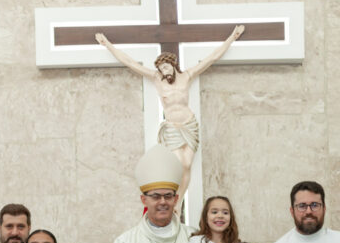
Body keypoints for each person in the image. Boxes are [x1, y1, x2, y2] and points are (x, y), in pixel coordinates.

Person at [96, 26, 245, 200]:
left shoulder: (187, 76)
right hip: (172, 128)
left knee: (187, 164)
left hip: (189, 125)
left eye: (166, 67)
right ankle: (174, 199)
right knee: (178, 164)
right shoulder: (157, 79)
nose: (164, 71)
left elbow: (212, 58)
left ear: (173, 65)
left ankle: (179, 201)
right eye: (161, 69)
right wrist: (107, 44)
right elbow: (130, 63)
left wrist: (232, 37)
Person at [107, 144, 195, 243]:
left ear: (176, 199)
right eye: (156, 196)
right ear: (144, 200)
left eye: (168, 196)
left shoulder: (193, 238)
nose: (163, 202)